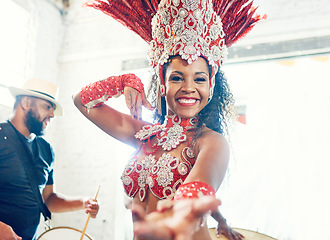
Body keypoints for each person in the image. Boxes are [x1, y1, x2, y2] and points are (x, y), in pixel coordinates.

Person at [75, 0, 264, 239]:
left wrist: (174, 222)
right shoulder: (144, 135)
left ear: (211, 85)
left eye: (199, 79)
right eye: (177, 78)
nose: (188, 88)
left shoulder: (211, 142)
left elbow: (195, 190)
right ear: (162, 84)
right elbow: (82, 101)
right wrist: (124, 81)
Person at [0, 78, 99, 240]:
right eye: (47, 107)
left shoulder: (46, 149)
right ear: (26, 102)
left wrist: (83, 202)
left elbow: (47, 199)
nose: (52, 114)